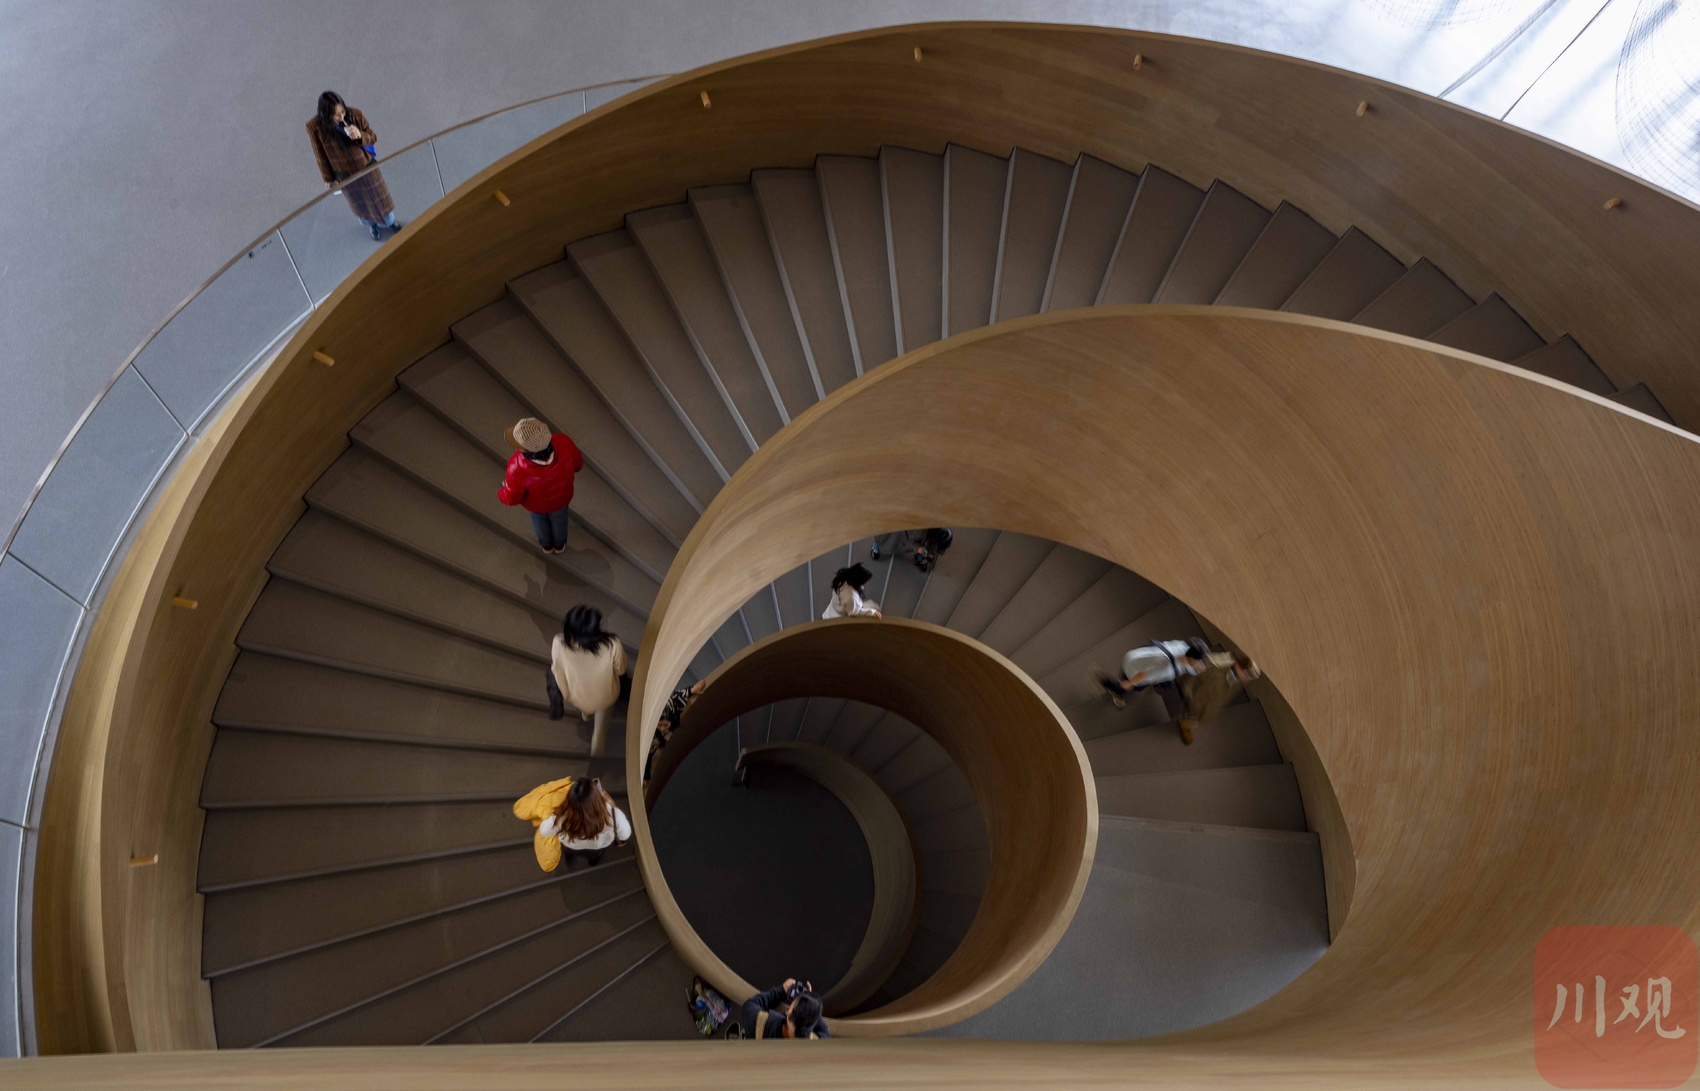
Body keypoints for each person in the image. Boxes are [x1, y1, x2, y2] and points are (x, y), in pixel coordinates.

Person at [306, 91, 403, 240]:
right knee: (360, 203)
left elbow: (372, 137)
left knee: (380, 197)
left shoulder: (355, 114)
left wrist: (359, 135)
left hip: (366, 165)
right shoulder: (315, 127)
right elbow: (319, 153)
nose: (341, 117)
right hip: (344, 173)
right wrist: (328, 177)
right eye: (336, 114)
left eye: (342, 112)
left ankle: (390, 222)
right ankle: (372, 226)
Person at [498, 417, 585, 554]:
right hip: (561, 499)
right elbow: (578, 465)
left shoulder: (516, 467)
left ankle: (547, 546)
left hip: (536, 506)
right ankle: (559, 545)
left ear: (526, 450)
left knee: (539, 523)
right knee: (560, 521)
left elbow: (512, 497)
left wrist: (502, 492)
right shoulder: (564, 442)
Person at [550, 605, 627, 756]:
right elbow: (621, 670)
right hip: (605, 697)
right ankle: (596, 758)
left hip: (576, 696)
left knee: (586, 704)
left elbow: (558, 670)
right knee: (599, 734)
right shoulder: (612, 644)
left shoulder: (558, 642)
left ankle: (586, 714)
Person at [537, 776, 631, 867]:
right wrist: (613, 806)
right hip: (596, 847)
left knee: (570, 850)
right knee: (594, 856)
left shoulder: (561, 818)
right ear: (597, 798)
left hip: (572, 845)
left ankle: (570, 857)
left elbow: (544, 831)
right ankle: (592, 863)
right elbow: (624, 835)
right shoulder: (613, 816)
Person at [1176, 650, 1261, 745]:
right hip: (1199, 696)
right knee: (1195, 704)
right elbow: (1197, 694)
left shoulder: (1237, 681)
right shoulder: (1216, 674)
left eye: (1249, 676)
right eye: (1245, 673)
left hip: (1212, 701)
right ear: (1237, 664)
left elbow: (1226, 697)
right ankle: (1186, 722)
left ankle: (1190, 722)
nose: (1246, 677)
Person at [1100, 638, 1209, 709]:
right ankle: (1109, 685)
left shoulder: (1182, 646)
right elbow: (1142, 675)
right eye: (1198, 661)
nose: (1199, 664)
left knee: (1165, 681)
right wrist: (1129, 683)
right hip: (1133, 669)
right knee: (1130, 686)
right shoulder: (1166, 669)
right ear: (1191, 658)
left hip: (1138, 654)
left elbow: (1185, 664)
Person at [646, 678, 706, 781]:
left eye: (665, 725)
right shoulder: (652, 736)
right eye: (659, 725)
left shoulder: (671, 706)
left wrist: (691, 690)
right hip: (661, 739)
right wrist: (646, 776)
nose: (662, 728)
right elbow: (648, 755)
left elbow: (677, 696)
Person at [733, 978, 829, 1039]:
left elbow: (749, 1006)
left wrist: (781, 991)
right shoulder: (819, 1043)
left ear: (791, 1011)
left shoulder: (762, 1022)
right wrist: (812, 1007)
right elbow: (824, 1031)